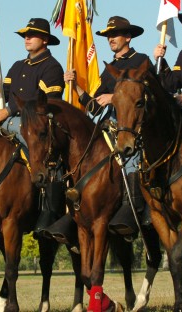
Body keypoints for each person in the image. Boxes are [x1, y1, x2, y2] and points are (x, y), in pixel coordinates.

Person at [64, 16, 151, 239]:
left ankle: (131, 210)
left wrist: (115, 97)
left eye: (115, 34)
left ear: (128, 37)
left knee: (131, 159)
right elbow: (93, 106)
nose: (110, 39)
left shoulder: (141, 61)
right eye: (108, 36)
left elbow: (145, 96)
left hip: (133, 126)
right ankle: (74, 209)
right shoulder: (109, 69)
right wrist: (77, 88)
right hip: (108, 125)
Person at [0, 18, 65, 237]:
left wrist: (9, 111)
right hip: (6, 118)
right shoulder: (18, 66)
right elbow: (3, 95)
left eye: (32, 35)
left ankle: (49, 208)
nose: (26, 38)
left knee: (42, 151)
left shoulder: (52, 67)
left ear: (44, 40)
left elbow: (47, 100)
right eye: (25, 35)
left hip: (34, 124)